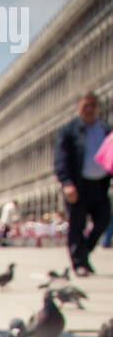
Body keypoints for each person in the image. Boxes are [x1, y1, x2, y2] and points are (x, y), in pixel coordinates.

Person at [54, 91, 111, 276]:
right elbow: (61, 158)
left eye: (93, 105)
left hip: (100, 184)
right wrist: (66, 182)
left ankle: (83, 252)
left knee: (104, 220)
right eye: (86, 105)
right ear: (78, 107)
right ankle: (79, 263)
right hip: (78, 185)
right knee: (77, 224)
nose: (89, 109)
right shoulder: (69, 131)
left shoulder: (105, 129)